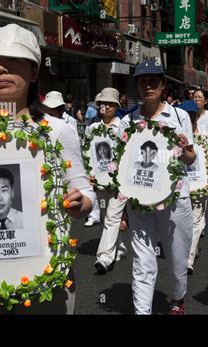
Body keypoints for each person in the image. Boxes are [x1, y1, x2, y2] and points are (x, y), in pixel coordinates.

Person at [0, 23, 97, 314]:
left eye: (12, 62)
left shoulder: (58, 130)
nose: (0, 69)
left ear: (34, 72)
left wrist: (80, 204)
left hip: (44, 281)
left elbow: (87, 192)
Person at [119, 58, 195, 315]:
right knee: (143, 260)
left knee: (176, 257)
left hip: (175, 198)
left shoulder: (178, 116)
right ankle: (142, 311)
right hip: (140, 199)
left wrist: (182, 149)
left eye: (153, 81)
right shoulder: (127, 121)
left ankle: (176, 298)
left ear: (163, 85)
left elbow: (191, 158)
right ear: (137, 87)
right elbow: (122, 164)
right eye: (142, 82)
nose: (148, 86)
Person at [87, 87, 128, 272]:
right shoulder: (92, 128)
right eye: (103, 104)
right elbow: (88, 152)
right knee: (109, 216)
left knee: (112, 217)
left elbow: (127, 153)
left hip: (119, 181)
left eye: (110, 104)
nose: (106, 107)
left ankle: (104, 257)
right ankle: (119, 248)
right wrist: (89, 171)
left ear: (116, 106)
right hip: (99, 180)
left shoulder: (123, 127)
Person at [177, 100, 208, 275]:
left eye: (192, 115)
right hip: (179, 187)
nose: (189, 118)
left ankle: (188, 259)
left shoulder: (206, 137)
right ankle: (186, 249)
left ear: (197, 116)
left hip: (200, 185)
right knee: (181, 222)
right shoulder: (174, 138)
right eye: (185, 115)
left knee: (196, 221)